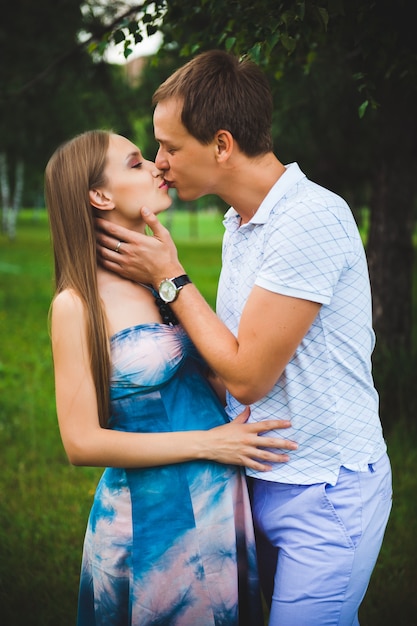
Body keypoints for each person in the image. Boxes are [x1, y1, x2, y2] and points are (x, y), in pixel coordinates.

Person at [95, 50, 393, 626]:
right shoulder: (242, 223)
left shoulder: (308, 219)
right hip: (256, 477)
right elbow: (226, 353)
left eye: (170, 147)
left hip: (323, 489)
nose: (159, 163)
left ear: (223, 145)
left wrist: (170, 278)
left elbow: (250, 373)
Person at [44, 129, 298, 626]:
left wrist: (171, 275)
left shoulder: (156, 275)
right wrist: (209, 444)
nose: (158, 167)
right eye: (136, 163)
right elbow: (81, 443)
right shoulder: (75, 304)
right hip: (151, 520)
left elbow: (218, 377)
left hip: (219, 503)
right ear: (99, 195)